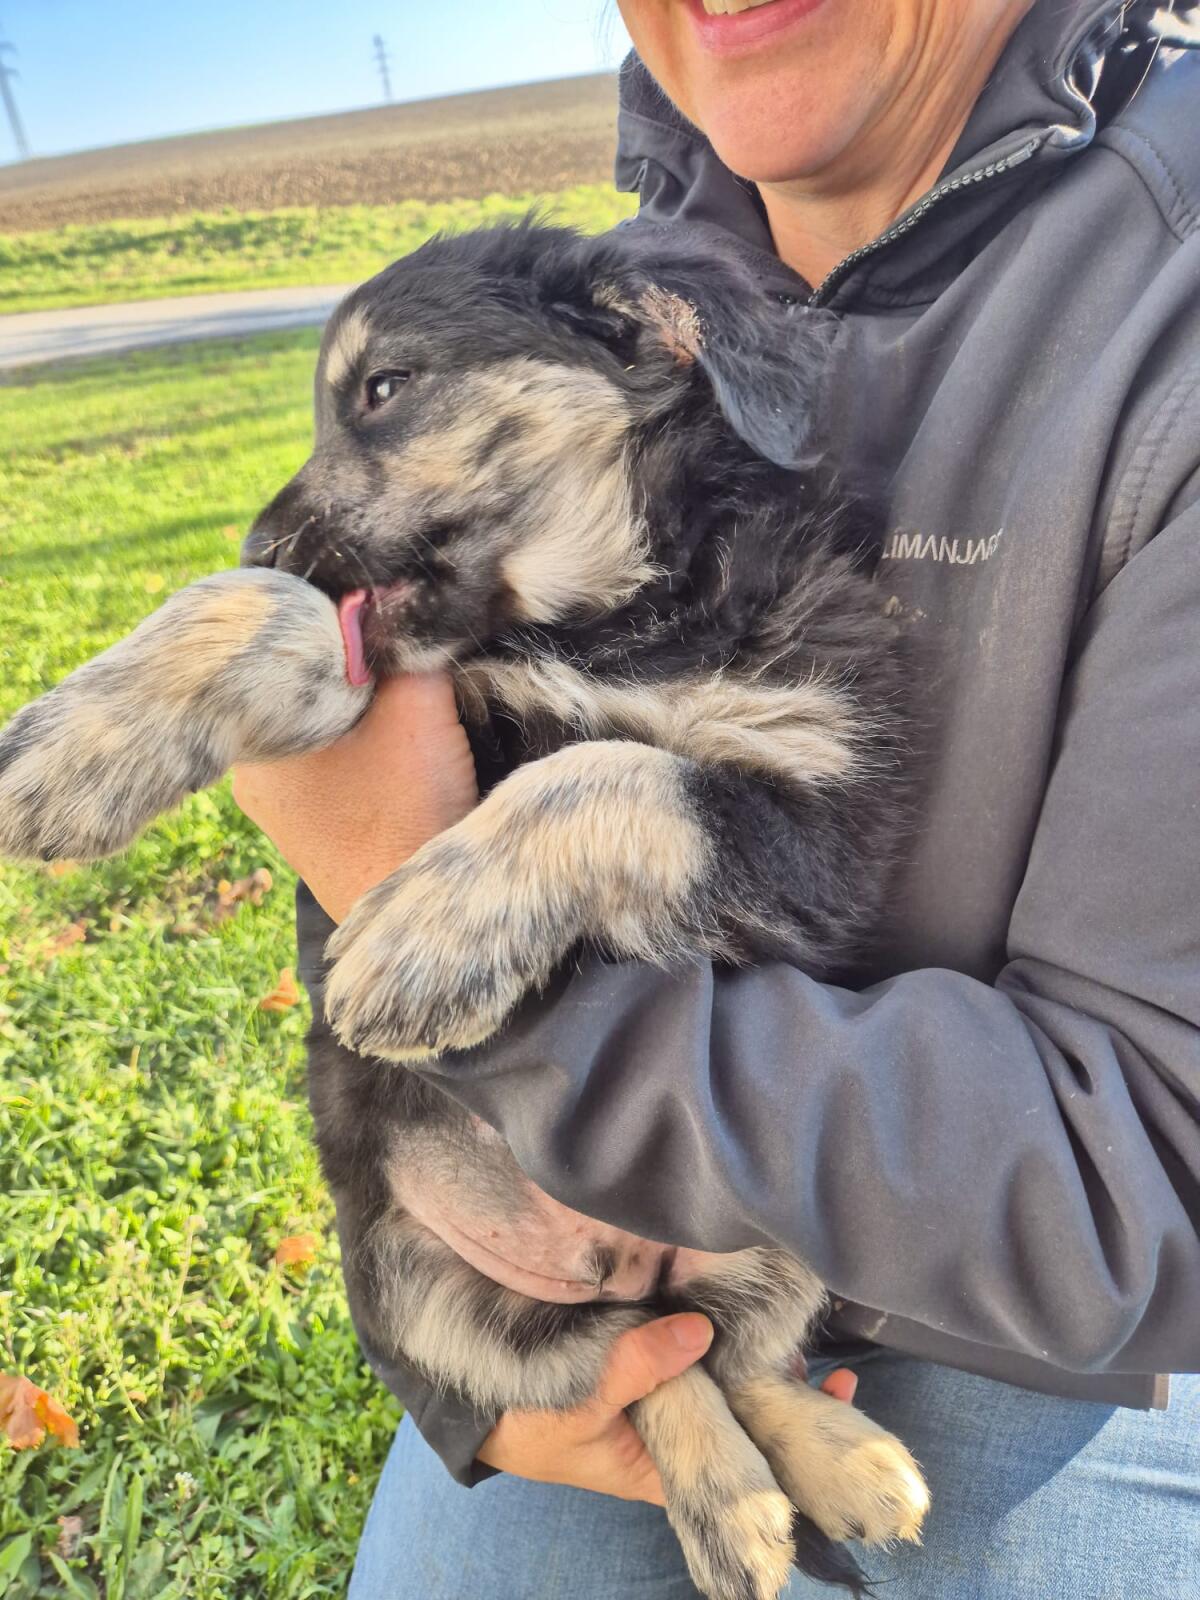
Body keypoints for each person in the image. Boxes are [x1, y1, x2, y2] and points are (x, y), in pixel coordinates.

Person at [232, 0, 1200, 1593]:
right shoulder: (581, 313)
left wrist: (511, 1006)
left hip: (1040, 1334)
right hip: (589, 1266)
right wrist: (463, 1354)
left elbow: (1145, 1178)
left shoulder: (1168, 298)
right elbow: (381, 873)